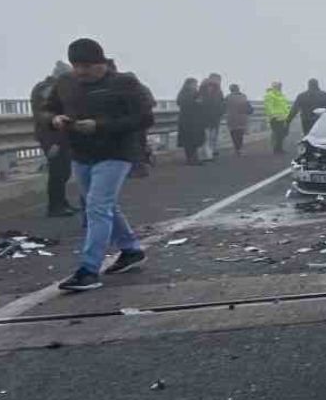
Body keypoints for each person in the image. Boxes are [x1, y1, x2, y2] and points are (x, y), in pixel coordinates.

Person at [46, 38, 154, 292]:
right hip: (81, 153)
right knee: (101, 205)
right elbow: (46, 109)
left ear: (101, 63)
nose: (81, 71)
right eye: (76, 66)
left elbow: (144, 117)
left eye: (87, 66)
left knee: (96, 207)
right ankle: (130, 250)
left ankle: (89, 270)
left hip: (116, 152)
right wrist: (55, 119)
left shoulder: (124, 82)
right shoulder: (65, 83)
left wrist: (100, 125)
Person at [30, 61, 76, 217]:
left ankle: (62, 203)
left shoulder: (50, 87)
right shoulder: (46, 88)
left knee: (63, 170)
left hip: (59, 135)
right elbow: (46, 113)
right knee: (58, 170)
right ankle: (55, 206)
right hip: (50, 136)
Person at [176, 78, 205, 164]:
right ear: (189, 84)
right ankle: (191, 159)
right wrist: (196, 102)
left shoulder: (195, 93)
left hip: (194, 120)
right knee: (189, 140)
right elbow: (181, 102)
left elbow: (201, 103)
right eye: (194, 84)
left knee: (194, 140)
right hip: (187, 120)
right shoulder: (184, 93)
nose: (196, 86)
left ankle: (194, 158)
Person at [198, 74, 226, 161]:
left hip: (213, 116)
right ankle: (208, 154)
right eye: (218, 79)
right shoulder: (203, 89)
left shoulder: (217, 90)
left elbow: (222, 103)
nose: (219, 81)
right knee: (207, 136)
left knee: (212, 135)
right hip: (207, 116)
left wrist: (221, 112)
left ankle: (210, 152)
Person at [224, 83, 253, 155]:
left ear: (230, 90)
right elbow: (247, 106)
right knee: (240, 135)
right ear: (238, 89)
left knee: (233, 134)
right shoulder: (243, 96)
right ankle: (239, 149)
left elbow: (224, 106)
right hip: (242, 118)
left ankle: (236, 148)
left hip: (231, 118)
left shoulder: (228, 97)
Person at [264, 81, 292, 154]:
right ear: (274, 86)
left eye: (280, 86)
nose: (280, 87)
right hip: (275, 118)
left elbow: (284, 106)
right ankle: (277, 149)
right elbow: (268, 106)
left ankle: (277, 148)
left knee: (284, 133)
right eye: (279, 86)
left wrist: (288, 115)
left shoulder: (281, 95)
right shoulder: (269, 95)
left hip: (283, 118)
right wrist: (273, 115)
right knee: (279, 133)